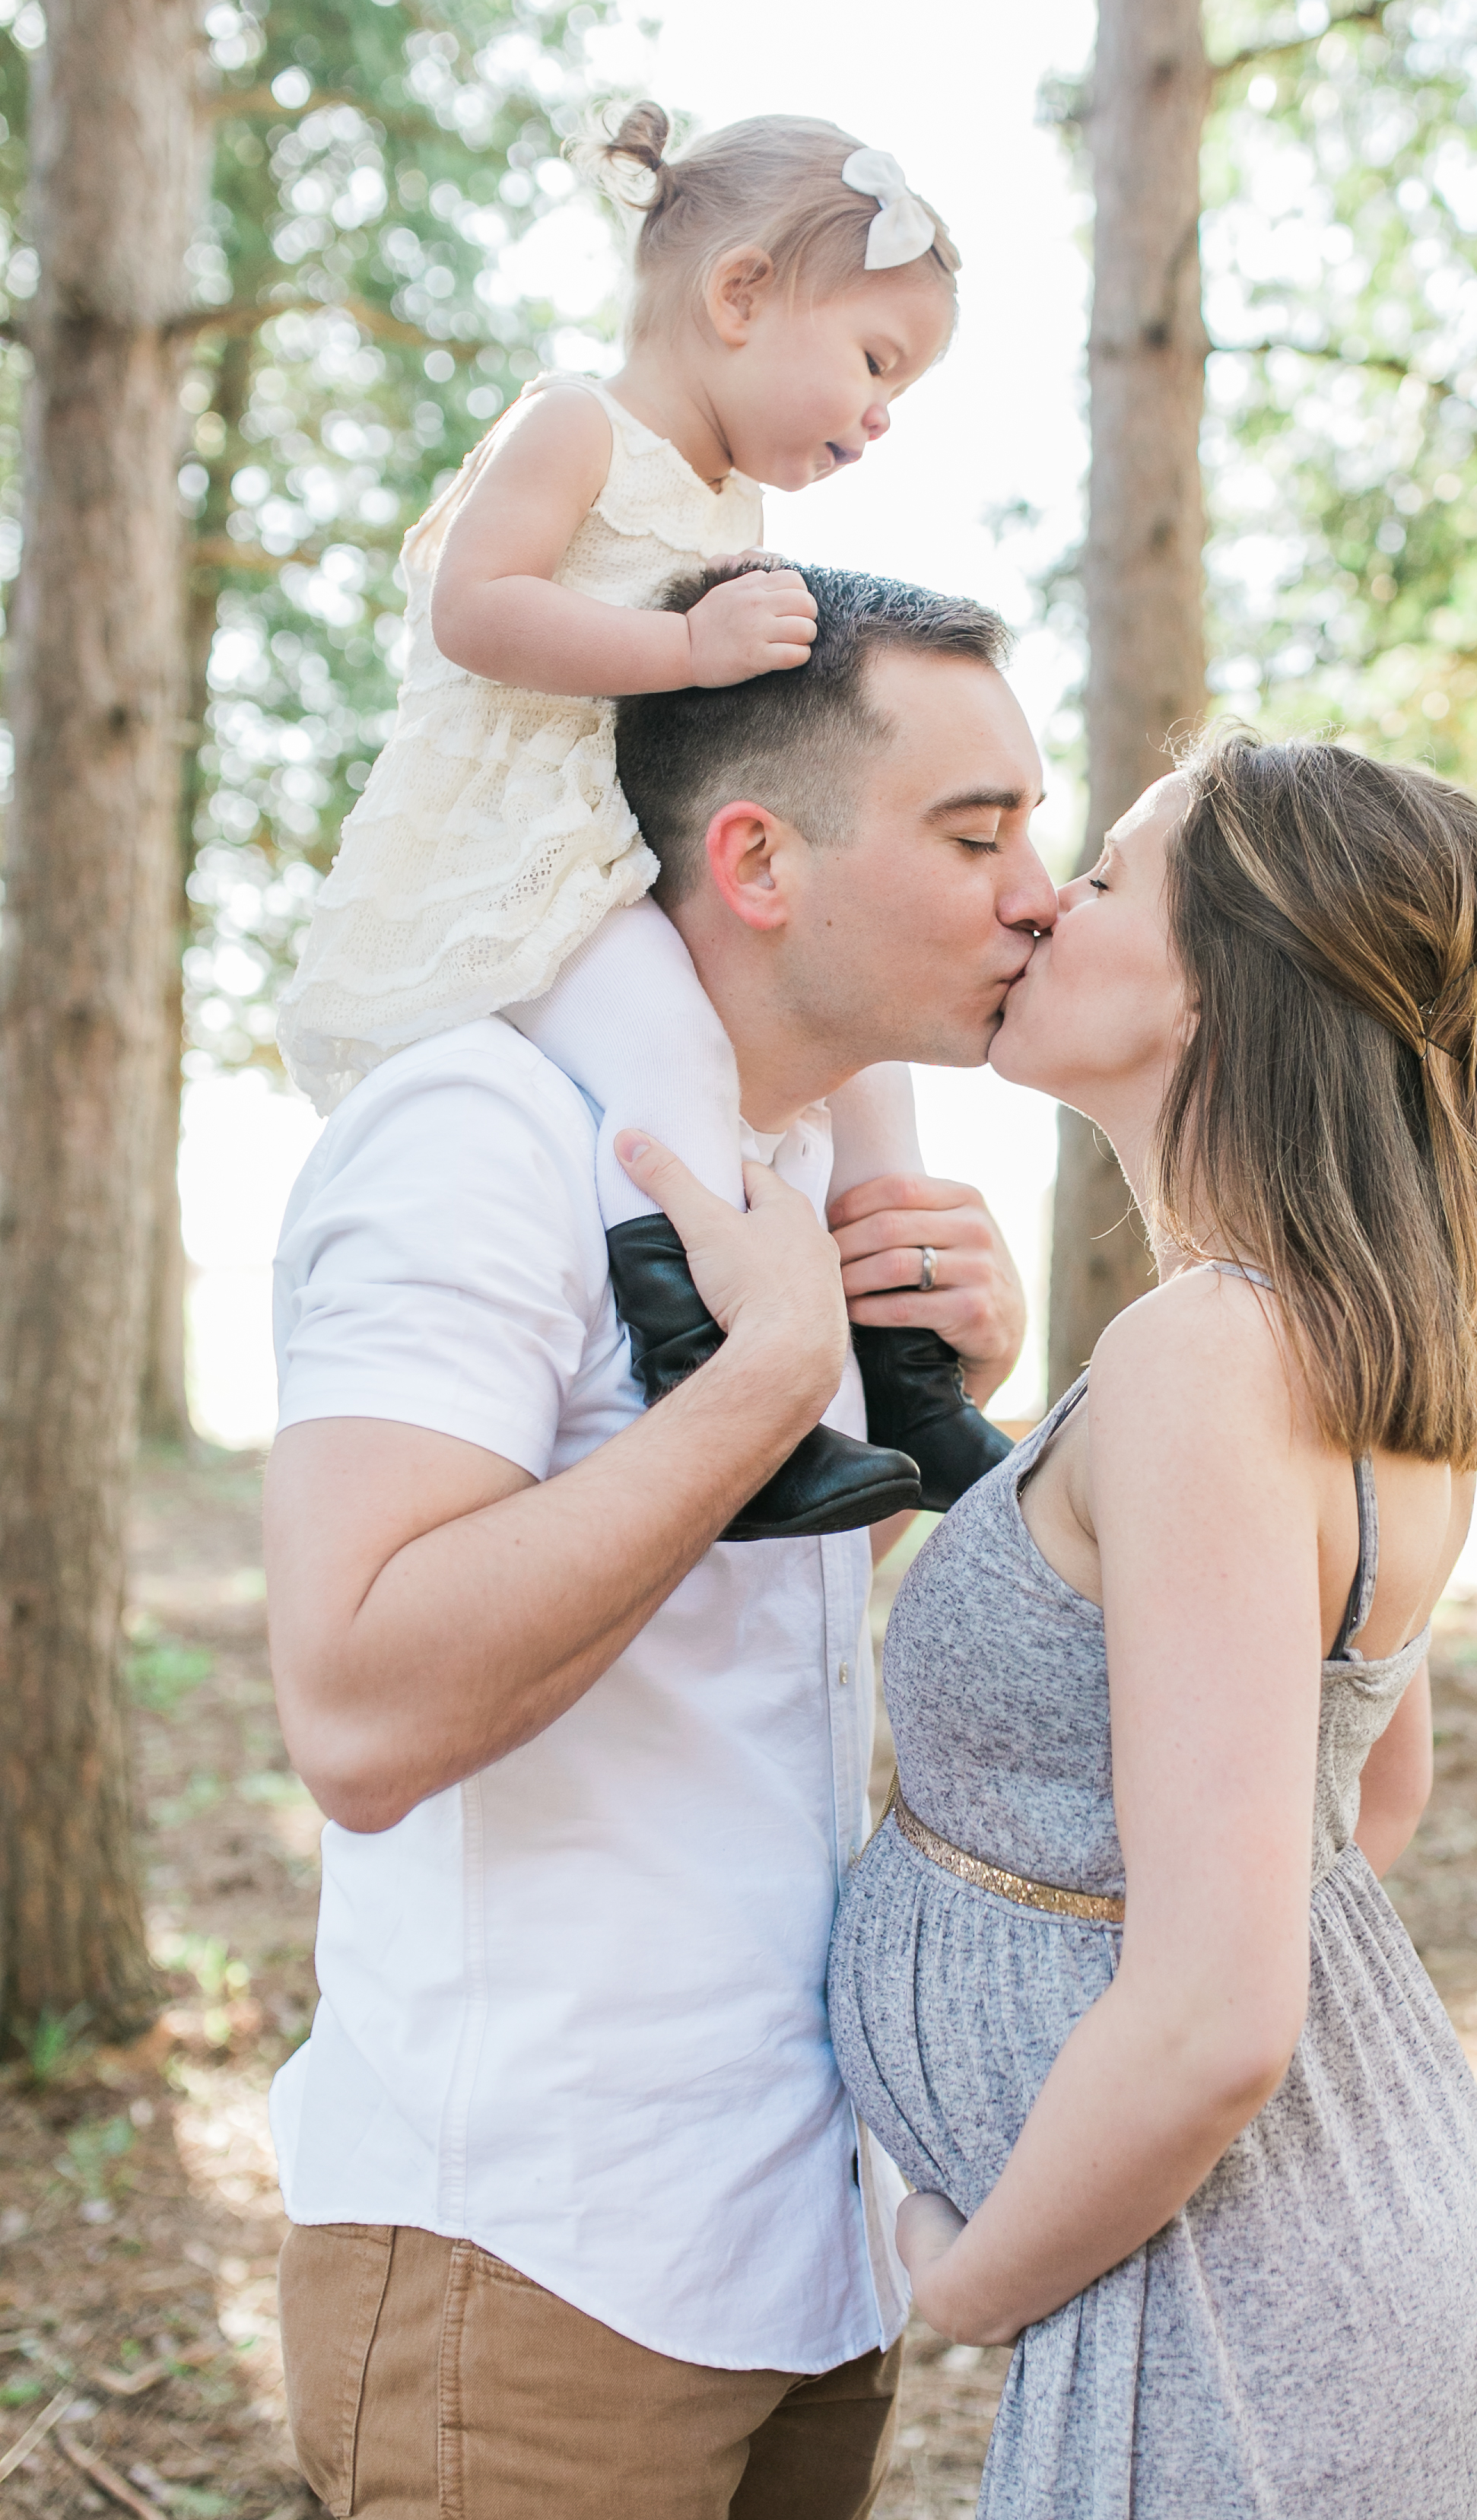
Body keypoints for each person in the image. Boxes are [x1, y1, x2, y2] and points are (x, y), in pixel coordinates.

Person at [264, 562, 1052, 2520]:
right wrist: (750, 1396)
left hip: (797, 2230)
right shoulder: (476, 1137)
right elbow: (353, 1702)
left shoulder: (785, 1170)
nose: (1039, 894)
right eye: (979, 836)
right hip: (536, 2256)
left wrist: (909, 1411)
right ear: (756, 855)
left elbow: (707, 1635)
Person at [829, 727, 1477, 2520]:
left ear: (1227, 976)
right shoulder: (1350, 1331)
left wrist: (971, 2277)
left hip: (1232, 2285)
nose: (1047, 894)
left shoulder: (1207, 1352)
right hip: (1334, 2231)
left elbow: (1223, 2005)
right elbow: (1354, 1810)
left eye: (1113, 872)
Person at [275, 103, 1012, 1538]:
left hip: (644, 837)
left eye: (899, 392)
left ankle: (904, 1364)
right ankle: (704, 1368)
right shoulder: (576, 426)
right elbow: (473, 611)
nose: (878, 417)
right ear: (738, 295)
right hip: (532, 848)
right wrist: (685, 655)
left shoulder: (734, 499)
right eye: (873, 364)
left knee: (866, 1063)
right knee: (667, 1054)